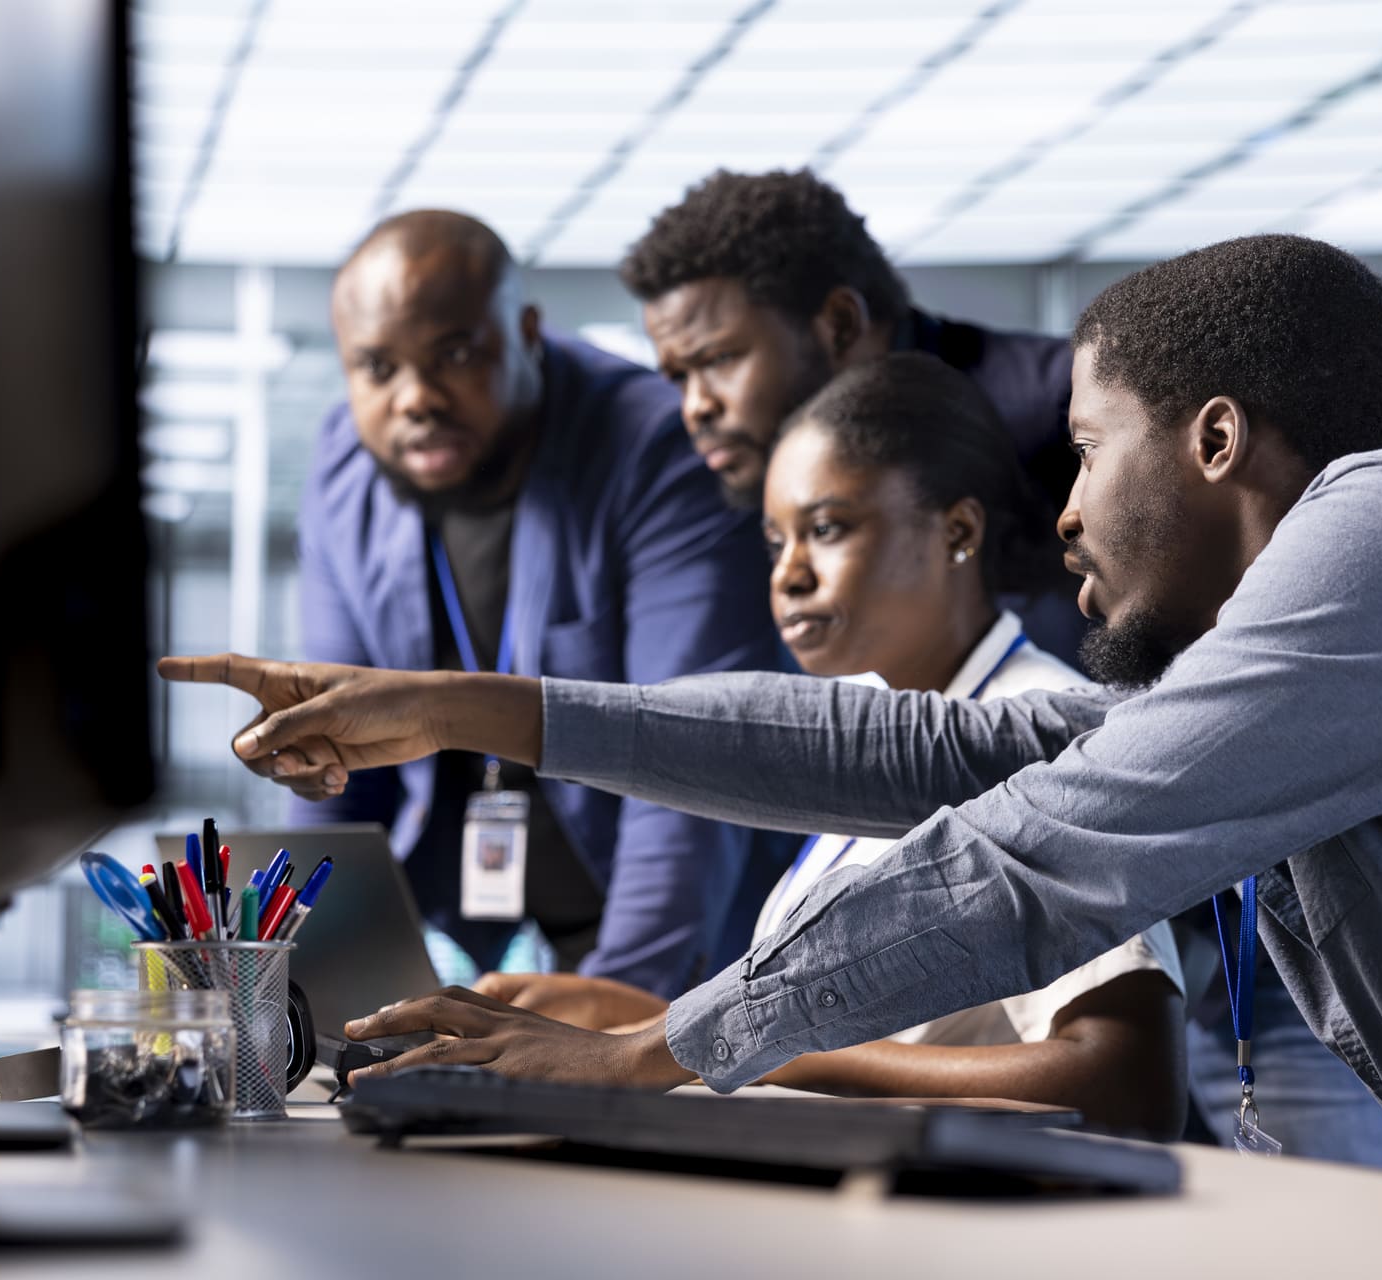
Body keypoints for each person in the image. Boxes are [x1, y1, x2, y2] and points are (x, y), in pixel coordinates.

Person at [163, 233, 1382, 1182]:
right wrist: (465, 710)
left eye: (1086, 450)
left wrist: (653, 1053)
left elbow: (1036, 853)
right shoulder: (1303, 665)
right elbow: (927, 751)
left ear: (1217, 442)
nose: (1061, 511)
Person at [477, 353, 1186, 1137]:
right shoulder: (871, 720)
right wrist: (673, 1029)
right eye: (776, 542)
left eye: (826, 529)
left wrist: (732, 1046)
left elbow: (1126, 1081)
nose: (789, 576)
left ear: (958, 532)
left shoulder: (1037, 734)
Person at [284, 209, 785, 997]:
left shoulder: (657, 449)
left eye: (454, 354)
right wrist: (293, 995)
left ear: (525, 332)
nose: (415, 398)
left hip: (657, 892)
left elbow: (693, 760)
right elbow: (331, 760)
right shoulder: (344, 470)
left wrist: (622, 1021)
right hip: (466, 882)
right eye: (377, 368)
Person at [620, 167, 1082, 660]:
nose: (696, 408)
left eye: (719, 360)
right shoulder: (761, 471)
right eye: (678, 378)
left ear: (839, 324)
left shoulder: (1071, 410)